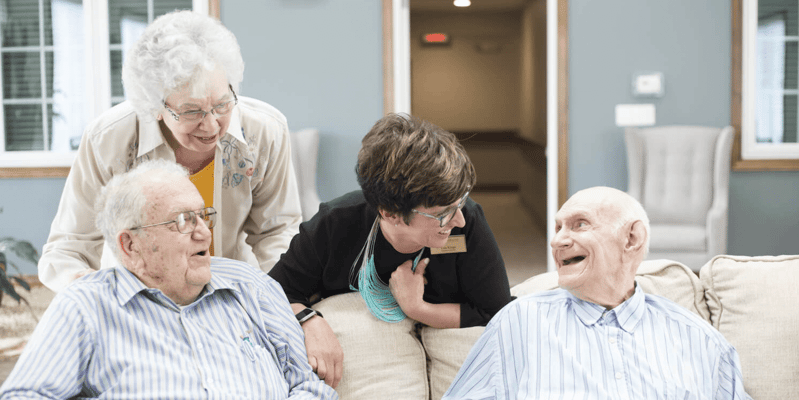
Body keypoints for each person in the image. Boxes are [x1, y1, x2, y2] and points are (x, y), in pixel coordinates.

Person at [0, 160, 337, 399]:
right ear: (131, 245)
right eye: (182, 221)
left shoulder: (251, 285)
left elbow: (310, 385)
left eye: (203, 216)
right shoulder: (85, 306)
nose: (204, 232)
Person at [38, 10, 301, 292]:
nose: (212, 125)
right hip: (139, 295)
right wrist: (85, 286)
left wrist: (279, 296)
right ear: (155, 107)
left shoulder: (265, 131)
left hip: (230, 289)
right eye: (191, 111)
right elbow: (68, 247)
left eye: (223, 105)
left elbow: (276, 232)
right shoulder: (108, 138)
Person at [268, 113, 513, 388]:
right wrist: (310, 322)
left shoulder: (468, 220)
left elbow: (495, 311)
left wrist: (417, 308)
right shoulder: (334, 224)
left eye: (460, 202)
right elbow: (272, 292)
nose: (459, 220)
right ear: (391, 213)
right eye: (443, 214)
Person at [443, 186, 751, 399]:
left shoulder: (699, 340)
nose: (558, 241)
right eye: (558, 228)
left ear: (632, 238)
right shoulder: (518, 323)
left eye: (579, 225)